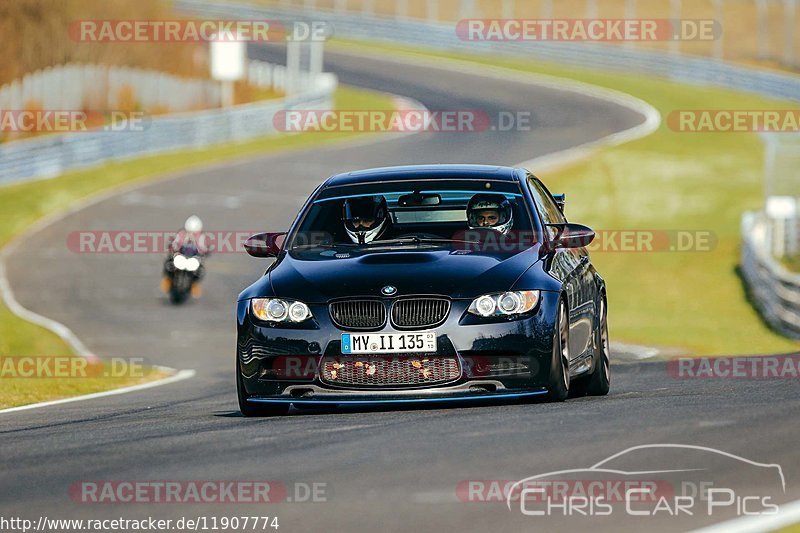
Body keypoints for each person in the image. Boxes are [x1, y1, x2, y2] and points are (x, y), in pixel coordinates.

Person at [161, 215, 208, 296]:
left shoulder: (201, 237)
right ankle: (168, 281)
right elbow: (175, 243)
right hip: (180, 257)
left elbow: (203, 248)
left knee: (200, 271)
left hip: (193, 259)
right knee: (168, 265)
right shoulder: (181, 234)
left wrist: (204, 253)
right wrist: (173, 249)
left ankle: (194, 285)